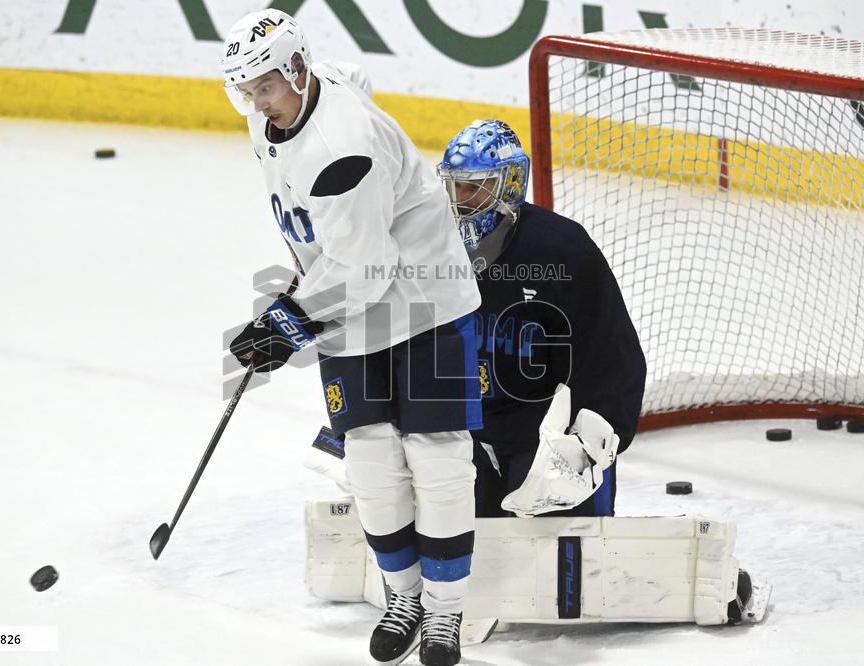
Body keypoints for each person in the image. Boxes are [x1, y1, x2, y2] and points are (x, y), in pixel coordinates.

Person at [221, 10, 482, 666]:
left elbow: (368, 271)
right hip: (348, 307)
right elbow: (351, 76)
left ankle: (446, 613)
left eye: (266, 87)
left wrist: (286, 322)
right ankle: (403, 598)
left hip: (426, 305)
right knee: (370, 465)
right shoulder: (280, 111)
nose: (255, 102)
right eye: (246, 89)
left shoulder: (344, 145)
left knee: (438, 461)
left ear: (298, 71)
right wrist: (301, 293)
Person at [436, 120, 647, 519]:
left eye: (474, 186)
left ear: (511, 183)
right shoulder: (434, 247)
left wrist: (586, 446)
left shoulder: (561, 250)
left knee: (566, 570)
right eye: (454, 186)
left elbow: (609, 356)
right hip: (466, 435)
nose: (460, 200)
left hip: (546, 439)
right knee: (469, 570)